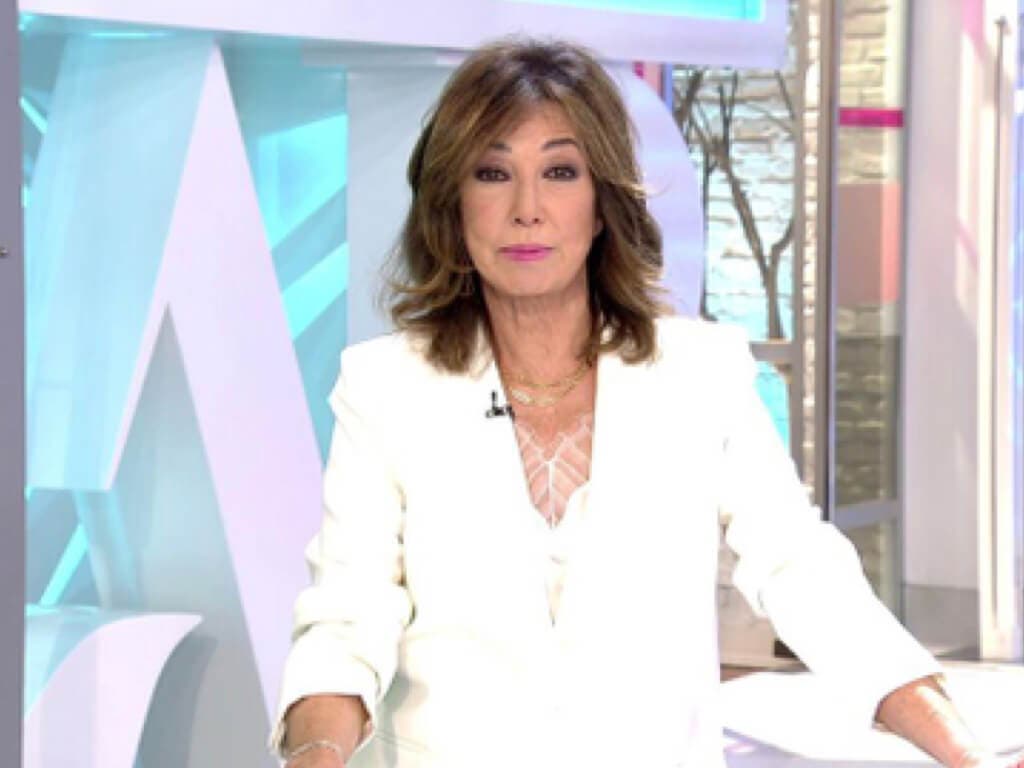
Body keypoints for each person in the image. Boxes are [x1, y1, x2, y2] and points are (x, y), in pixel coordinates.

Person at [270, 38, 1021, 768]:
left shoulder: (700, 373)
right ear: (452, 206)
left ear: (601, 204)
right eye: (492, 174)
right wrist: (315, 756)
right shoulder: (385, 386)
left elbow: (801, 570)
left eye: (560, 171)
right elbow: (347, 615)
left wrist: (965, 754)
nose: (527, 209)